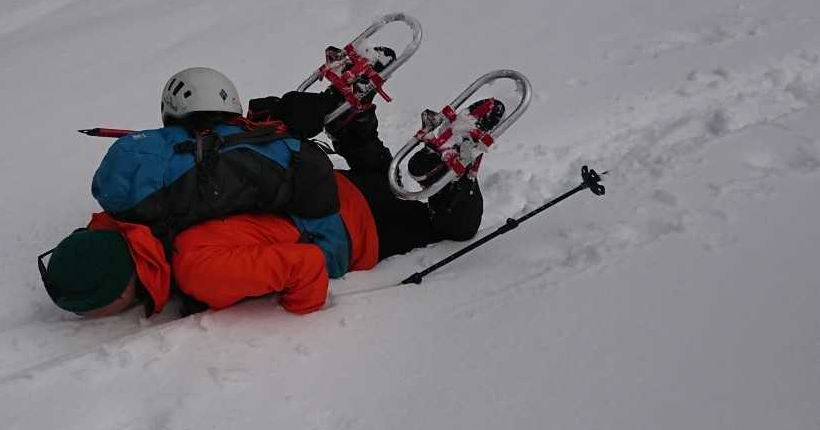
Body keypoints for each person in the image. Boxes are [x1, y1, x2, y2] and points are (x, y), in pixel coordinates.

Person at [40, 63, 502, 317]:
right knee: (379, 176)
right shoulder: (138, 213)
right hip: (322, 179)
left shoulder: (195, 268)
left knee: (454, 230)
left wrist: (298, 312)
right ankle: (354, 127)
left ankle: (450, 171)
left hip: (357, 231)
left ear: (120, 294)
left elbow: (307, 268)